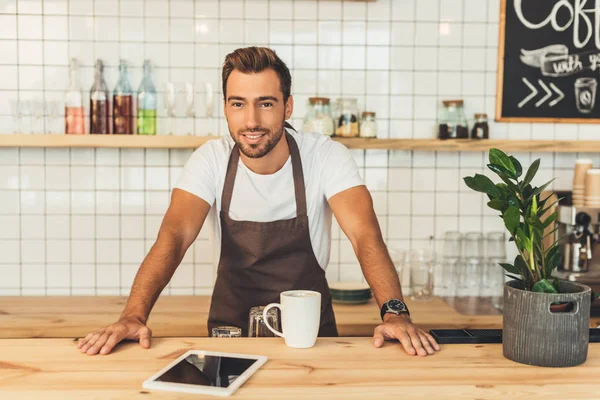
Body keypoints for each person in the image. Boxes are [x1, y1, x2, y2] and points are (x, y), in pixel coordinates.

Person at [77, 46, 440, 357]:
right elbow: (173, 236)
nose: (251, 120)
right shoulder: (211, 159)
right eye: (239, 104)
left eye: (265, 103)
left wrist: (395, 313)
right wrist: (133, 316)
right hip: (229, 338)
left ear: (288, 106)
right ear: (225, 108)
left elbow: (365, 236)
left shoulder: (325, 156)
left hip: (311, 341)